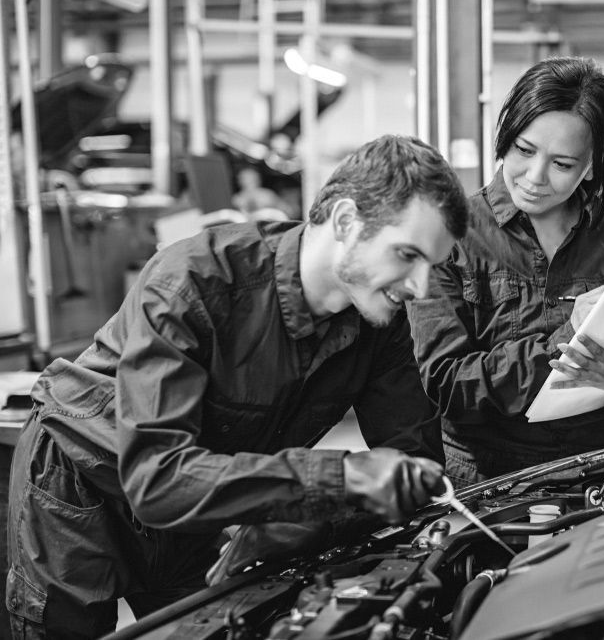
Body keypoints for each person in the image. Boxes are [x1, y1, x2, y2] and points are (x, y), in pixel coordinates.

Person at [5, 135, 468, 639]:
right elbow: (157, 478)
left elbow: (412, 461)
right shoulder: (195, 281)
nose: (420, 287)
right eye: (407, 255)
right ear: (344, 221)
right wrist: (341, 477)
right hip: (82, 486)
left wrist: (291, 527)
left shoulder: (381, 323)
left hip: (199, 499)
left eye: (433, 267)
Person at [408, 56, 604, 487]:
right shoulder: (454, 234)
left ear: (591, 165)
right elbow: (443, 385)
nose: (535, 177)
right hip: (488, 485)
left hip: (602, 474)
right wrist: (564, 343)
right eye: (524, 150)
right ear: (506, 137)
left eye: (562, 164)